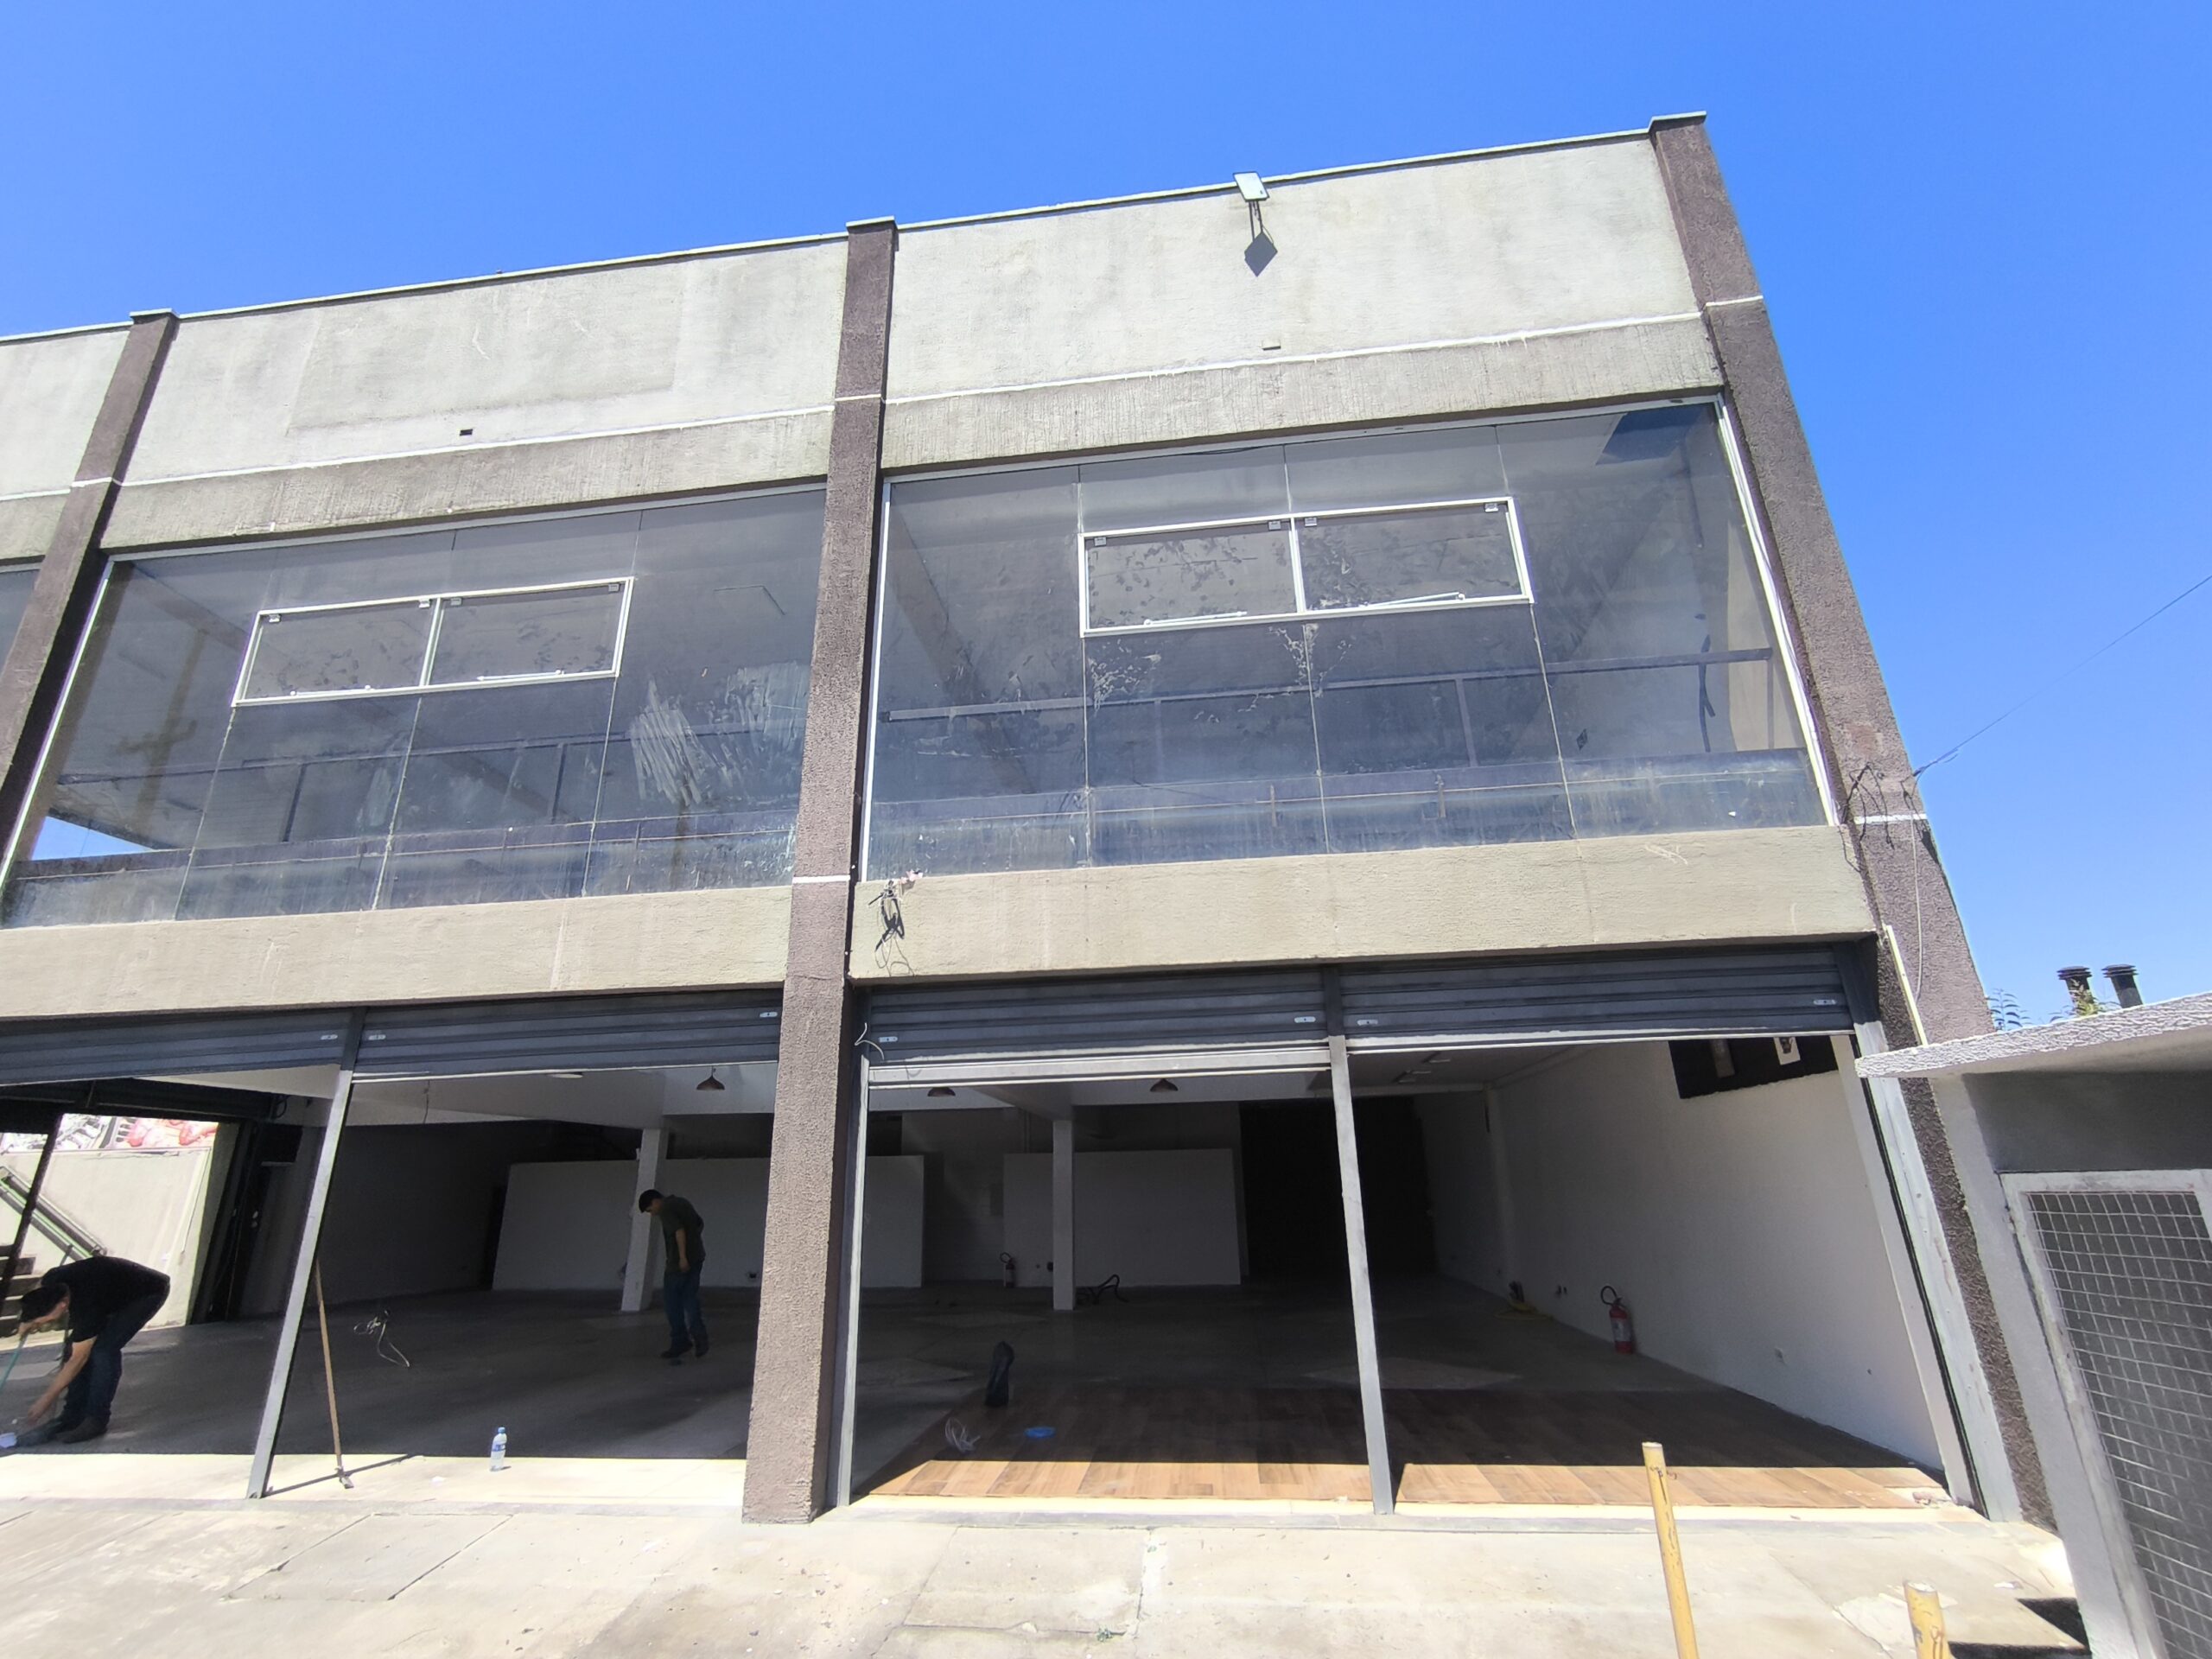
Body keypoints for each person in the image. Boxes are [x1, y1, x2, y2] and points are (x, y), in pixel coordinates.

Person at [11, 1255, 171, 1446]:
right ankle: (71, 1416)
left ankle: (96, 1419)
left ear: (62, 1306)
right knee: (73, 1347)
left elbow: (77, 1360)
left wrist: (45, 1400)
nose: (41, 1325)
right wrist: (26, 1321)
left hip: (147, 1292)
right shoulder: (51, 1281)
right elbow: (34, 1296)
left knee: (103, 1351)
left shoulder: (87, 1307)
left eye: (42, 1321)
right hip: (110, 1288)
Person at [637, 1189, 708, 1361]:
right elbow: (699, 1223)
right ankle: (699, 1335)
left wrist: (682, 1257)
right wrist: (694, 1245)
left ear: (655, 1201)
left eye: (650, 1210)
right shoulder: (683, 1202)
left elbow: (678, 1231)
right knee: (690, 1298)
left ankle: (680, 1341)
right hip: (697, 1258)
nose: (652, 1214)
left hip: (678, 1264)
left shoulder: (666, 1209)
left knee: (672, 1304)